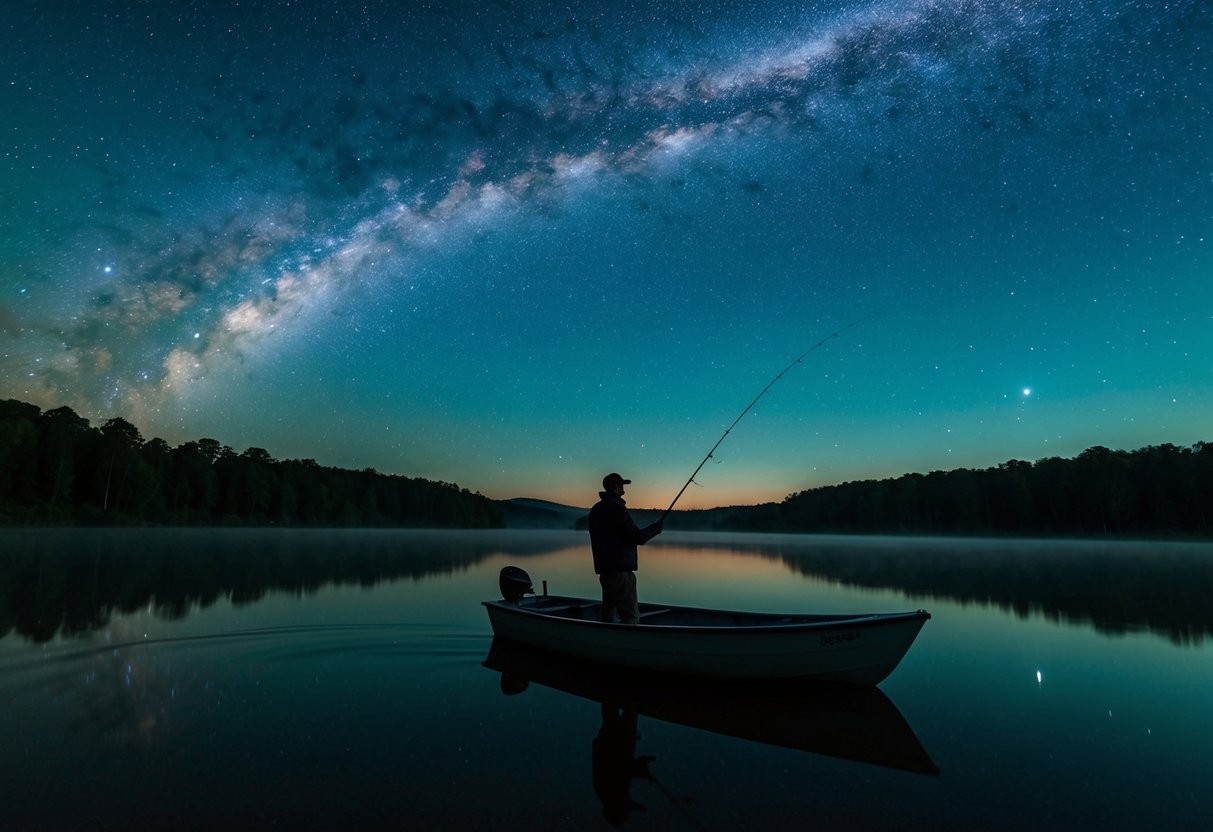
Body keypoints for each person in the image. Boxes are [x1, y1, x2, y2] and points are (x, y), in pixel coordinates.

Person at [588, 472, 663, 624]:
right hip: (620, 572)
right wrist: (655, 528)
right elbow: (637, 537)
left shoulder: (596, 509)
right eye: (622, 485)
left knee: (608, 613)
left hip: (606, 571)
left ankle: (604, 643)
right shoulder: (617, 508)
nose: (624, 489)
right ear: (616, 487)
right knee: (630, 615)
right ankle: (631, 643)